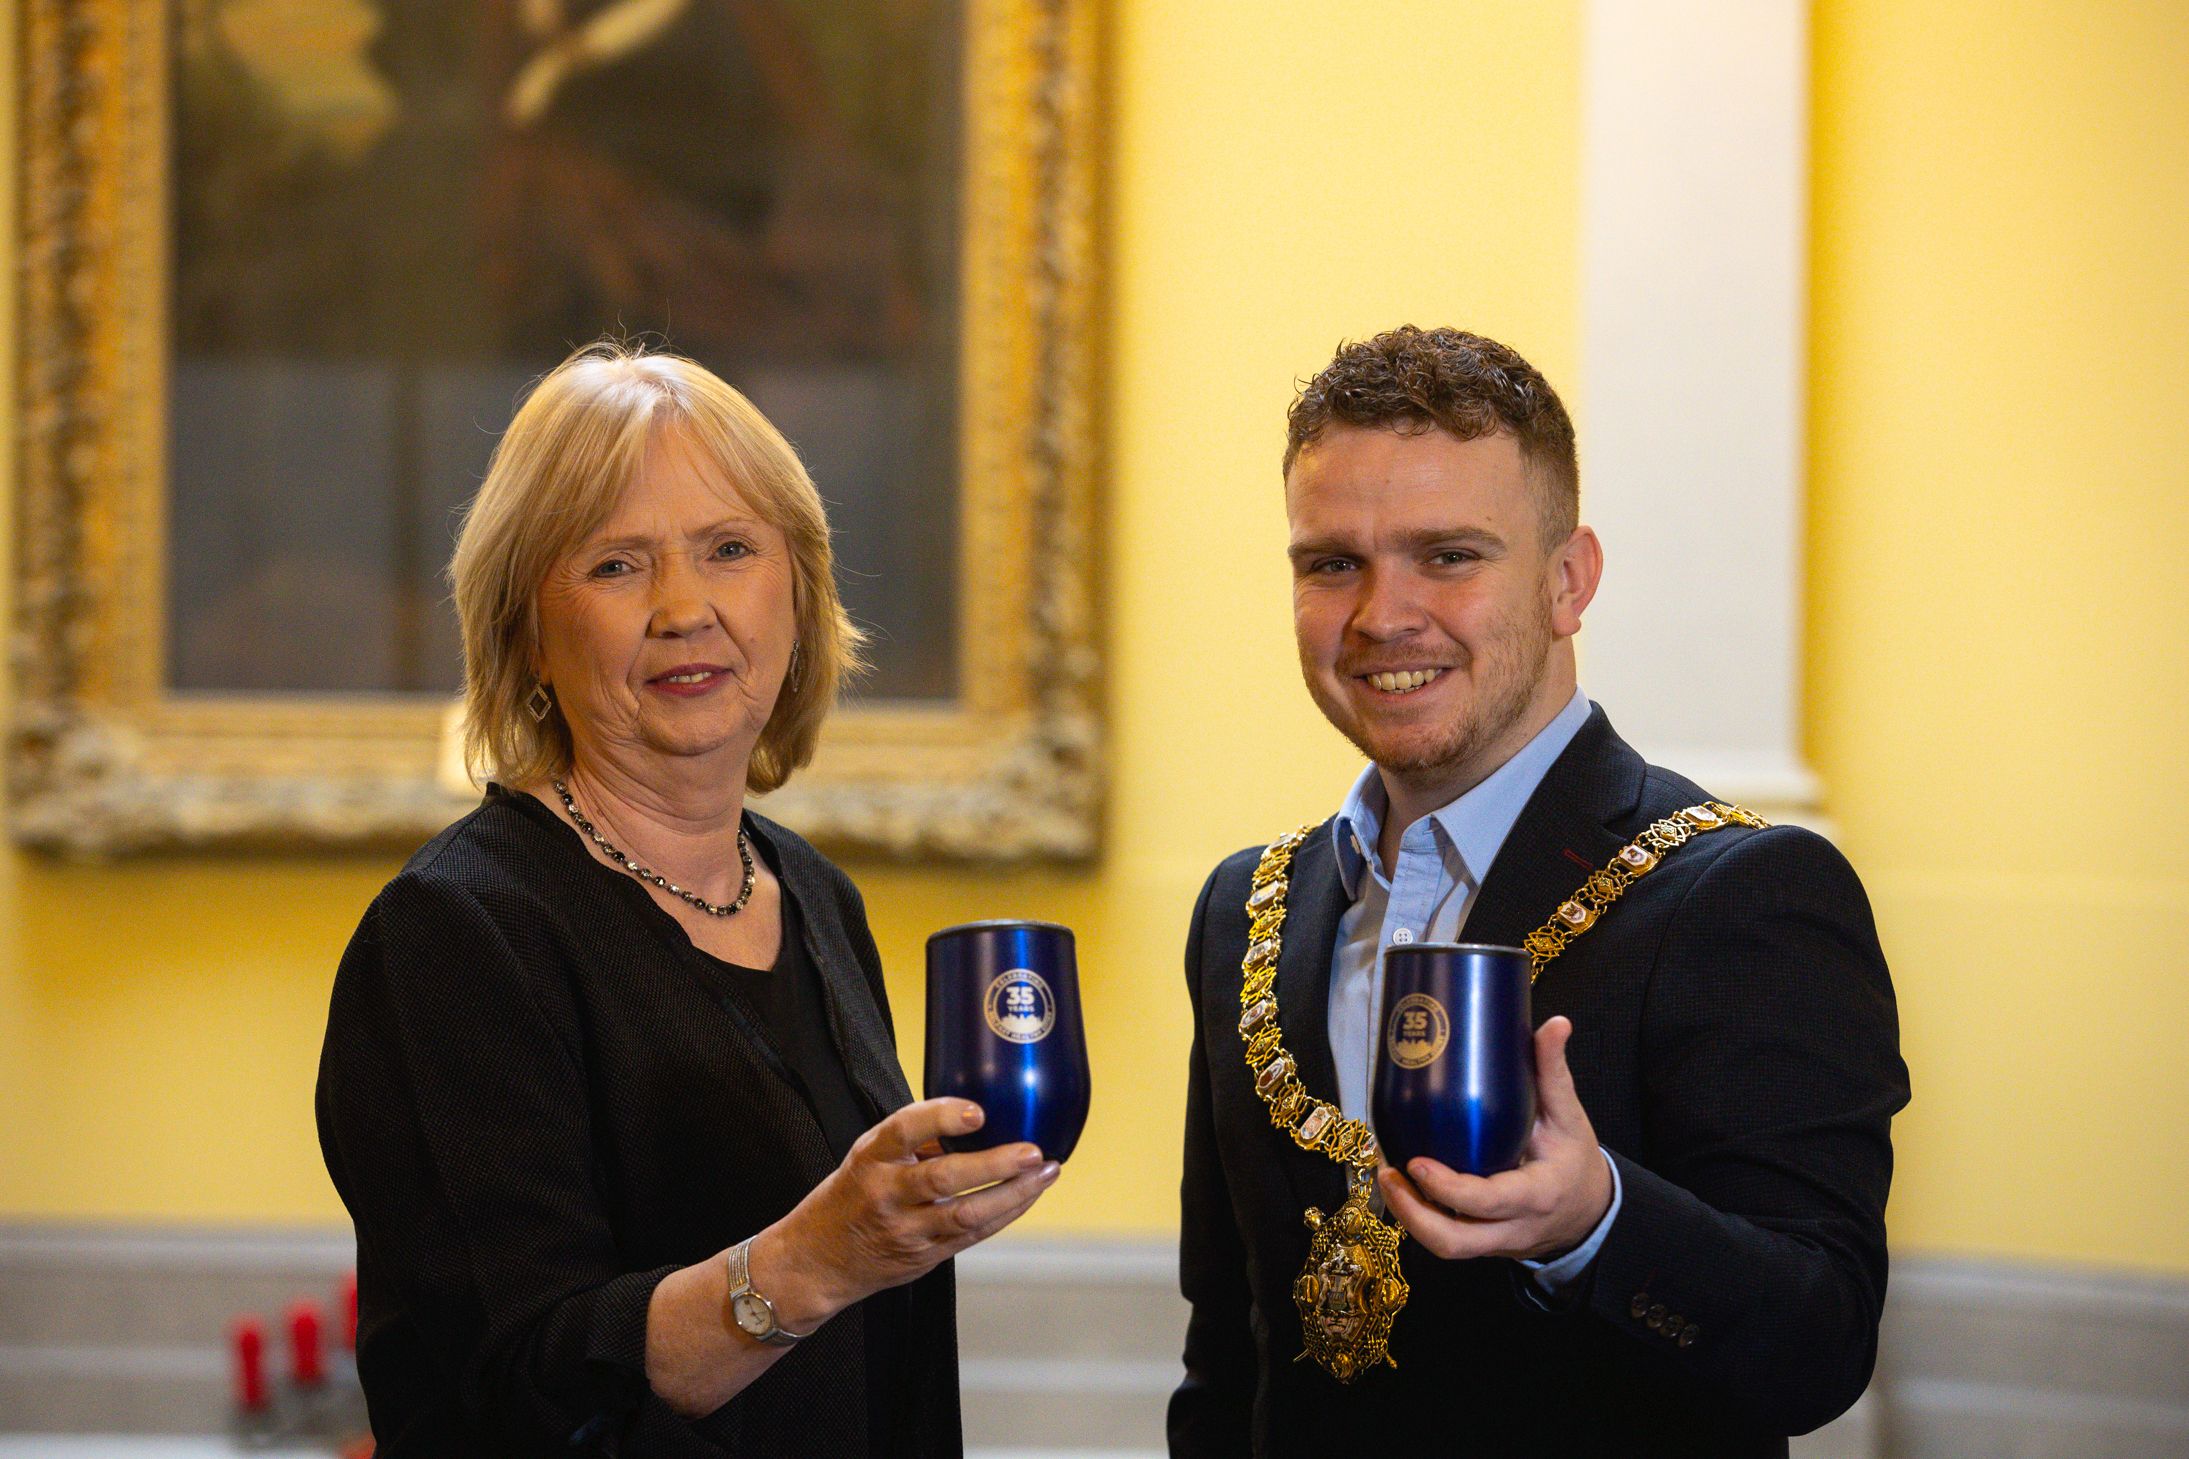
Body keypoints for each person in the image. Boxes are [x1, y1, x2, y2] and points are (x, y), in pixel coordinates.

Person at [1169, 327, 1909, 1456]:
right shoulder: (1243, 913)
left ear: (1568, 581)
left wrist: (1595, 1222)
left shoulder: (1743, 896)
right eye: (1331, 562)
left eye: (1448, 555)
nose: (1380, 614)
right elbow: (1227, 1359)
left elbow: (1816, 1344)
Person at [317, 342, 1058, 1456]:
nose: (684, 607)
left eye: (727, 549)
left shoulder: (815, 897)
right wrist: (811, 1263)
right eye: (616, 565)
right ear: (527, 632)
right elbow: (497, 1395)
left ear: (796, 595)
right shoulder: (457, 934)